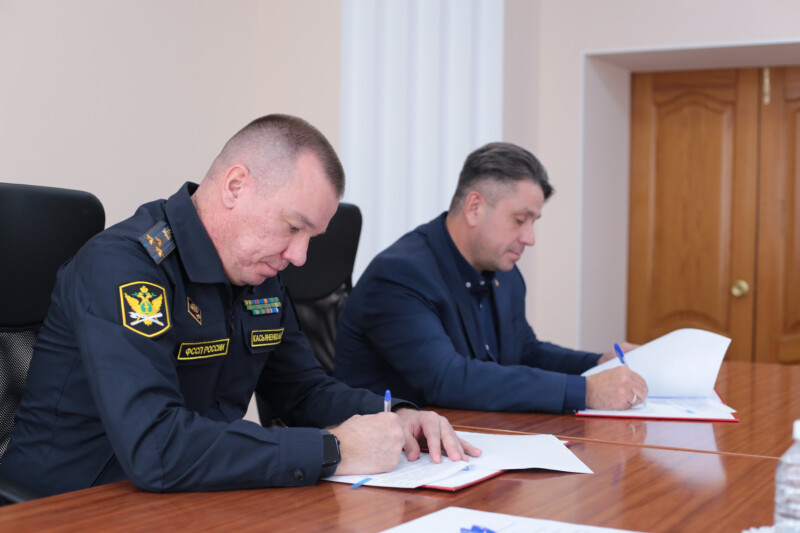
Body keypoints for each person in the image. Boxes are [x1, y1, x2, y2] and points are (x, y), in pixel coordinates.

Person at [0, 114, 479, 497]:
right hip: (70, 506)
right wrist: (331, 450)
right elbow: (155, 446)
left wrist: (396, 414)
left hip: (186, 496)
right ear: (235, 186)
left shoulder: (258, 275)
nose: (300, 256)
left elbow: (302, 390)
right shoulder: (126, 268)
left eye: (311, 237)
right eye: (293, 227)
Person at [334, 142, 648, 414]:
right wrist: (585, 391)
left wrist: (598, 364)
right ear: (474, 207)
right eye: (520, 220)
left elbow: (525, 352)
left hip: (473, 437)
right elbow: (447, 378)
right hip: (395, 452)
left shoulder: (504, 274)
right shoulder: (400, 274)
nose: (529, 238)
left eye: (533, 222)